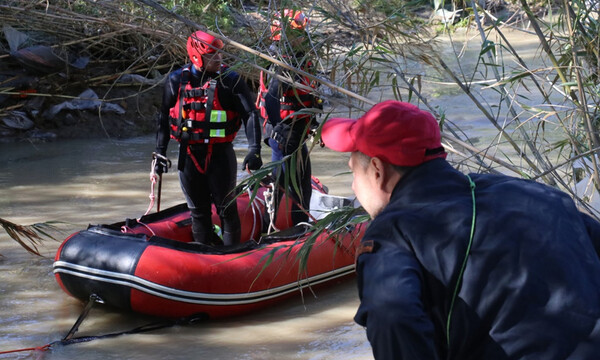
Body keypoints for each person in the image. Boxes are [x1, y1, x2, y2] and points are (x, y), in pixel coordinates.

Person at [321, 99, 600, 359]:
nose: (354, 188)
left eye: (353, 172)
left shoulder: (392, 235)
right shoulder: (539, 195)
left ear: (378, 171)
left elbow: (393, 316)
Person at [154, 30, 263, 246]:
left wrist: (254, 149)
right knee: (199, 213)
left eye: (219, 54)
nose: (219, 59)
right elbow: (164, 116)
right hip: (189, 157)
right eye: (212, 55)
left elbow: (250, 114)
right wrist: (160, 152)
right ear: (196, 56)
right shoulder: (175, 80)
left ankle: (232, 259)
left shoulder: (230, 81)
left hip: (220, 156)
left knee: (227, 210)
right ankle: (204, 256)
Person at [258, 9, 321, 228]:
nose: (305, 37)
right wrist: (279, 129)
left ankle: (280, 227)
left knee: (290, 183)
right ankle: (291, 230)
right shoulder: (283, 62)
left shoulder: (297, 60)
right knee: (293, 186)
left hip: (294, 134)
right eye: (300, 33)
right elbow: (272, 98)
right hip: (287, 135)